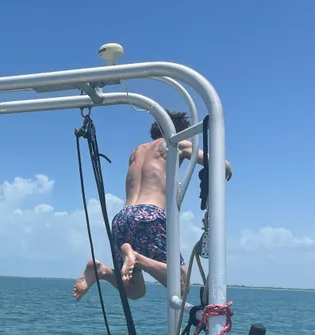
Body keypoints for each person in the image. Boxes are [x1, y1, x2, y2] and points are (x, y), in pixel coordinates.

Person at [73, 110, 232, 301]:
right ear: (179, 131)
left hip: (123, 217)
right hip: (150, 215)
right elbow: (217, 163)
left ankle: (102, 271)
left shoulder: (137, 151)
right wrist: (226, 167)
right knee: (182, 285)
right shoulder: (176, 143)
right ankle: (137, 257)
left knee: (135, 291)